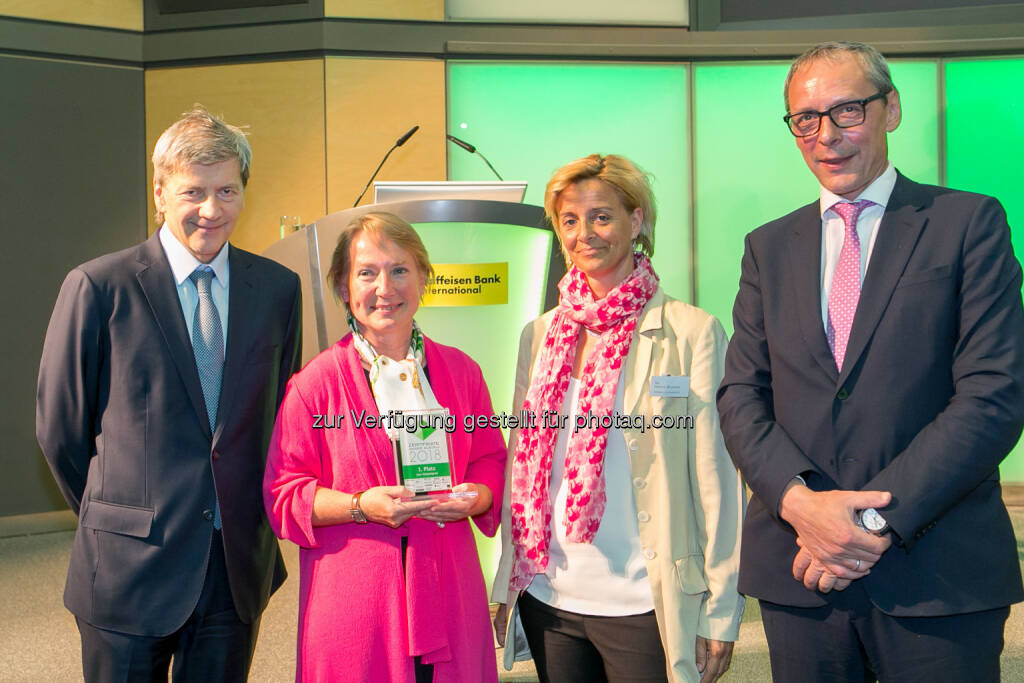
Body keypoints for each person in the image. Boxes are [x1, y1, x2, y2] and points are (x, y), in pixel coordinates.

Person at [717, 40, 1024, 682]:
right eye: (806, 118)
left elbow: (992, 397)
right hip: (801, 573)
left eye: (847, 110)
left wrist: (866, 522)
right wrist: (802, 506)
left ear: (892, 110)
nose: (826, 135)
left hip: (936, 574)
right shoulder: (767, 248)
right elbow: (742, 398)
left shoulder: (967, 223)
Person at [36, 105, 302, 681]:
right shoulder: (98, 287)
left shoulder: (278, 289)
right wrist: (118, 513)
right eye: (193, 192)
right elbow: (60, 430)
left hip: (233, 567)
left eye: (227, 190)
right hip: (129, 570)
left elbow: (282, 416)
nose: (211, 210)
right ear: (160, 193)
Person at [492, 154, 745, 683]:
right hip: (549, 595)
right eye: (569, 220)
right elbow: (524, 468)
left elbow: (716, 479)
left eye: (602, 216)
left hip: (643, 602)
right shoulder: (538, 336)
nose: (585, 233)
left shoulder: (691, 332)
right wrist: (505, 582)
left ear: (637, 220)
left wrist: (721, 606)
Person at [263, 211, 506, 682]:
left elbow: (489, 459)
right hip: (359, 610)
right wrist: (360, 505)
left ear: (422, 279)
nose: (385, 287)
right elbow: (284, 495)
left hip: (448, 588)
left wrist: (478, 496)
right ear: (342, 286)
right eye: (367, 272)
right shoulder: (313, 386)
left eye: (399, 270)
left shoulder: (462, 372)